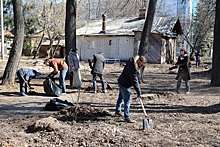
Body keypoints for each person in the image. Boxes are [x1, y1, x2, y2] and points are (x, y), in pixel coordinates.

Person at [115, 55, 147, 123]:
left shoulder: (132, 62)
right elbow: (134, 81)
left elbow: (136, 78)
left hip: (121, 81)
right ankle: (127, 117)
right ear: (138, 61)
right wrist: (139, 92)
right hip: (125, 84)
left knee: (120, 97)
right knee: (127, 101)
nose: (141, 66)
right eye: (141, 65)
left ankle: (117, 111)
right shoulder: (132, 68)